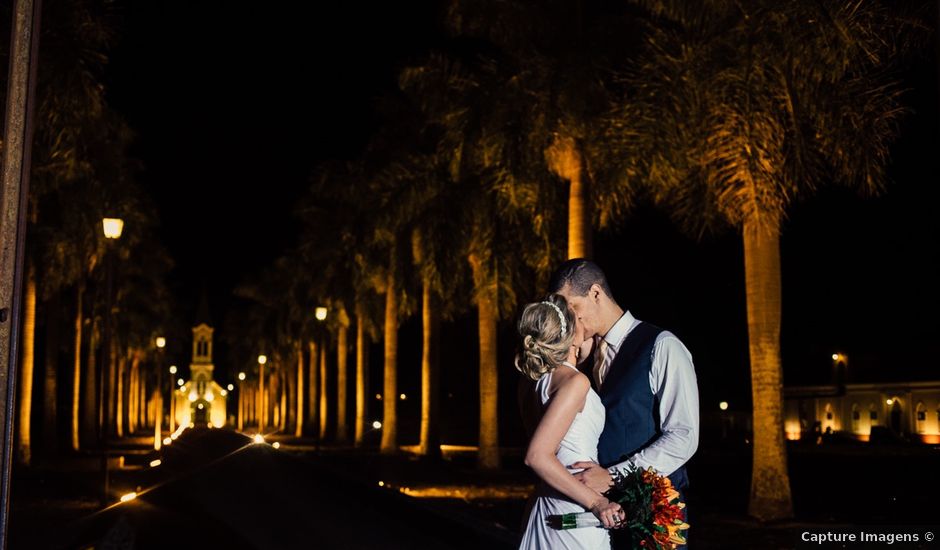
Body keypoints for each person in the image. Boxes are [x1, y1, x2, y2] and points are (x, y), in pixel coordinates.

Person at [549, 259, 699, 547]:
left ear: (595, 293)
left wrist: (615, 476)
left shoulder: (662, 345)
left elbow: (684, 435)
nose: (570, 320)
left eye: (573, 309)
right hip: (605, 514)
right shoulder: (588, 355)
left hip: (656, 514)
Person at [516, 294, 623, 550]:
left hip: (545, 506)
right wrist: (598, 503)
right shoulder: (576, 383)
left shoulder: (529, 383)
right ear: (573, 334)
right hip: (573, 511)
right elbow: (538, 456)